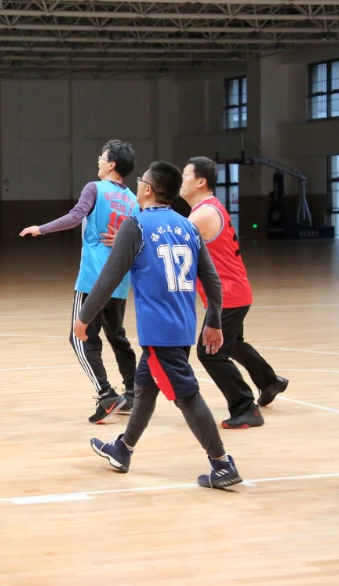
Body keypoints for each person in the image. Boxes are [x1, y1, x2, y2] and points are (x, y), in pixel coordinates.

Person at [76, 161, 243, 489]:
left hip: (159, 331)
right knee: (145, 387)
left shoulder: (135, 225)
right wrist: (213, 320)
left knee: (187, 396)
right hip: (182, 326)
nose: (138, 184)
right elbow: (211, 278)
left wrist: (84, 317)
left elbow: (109, 278)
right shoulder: (188, 226)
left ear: (148, 189)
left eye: (141, 181)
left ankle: (222, 464)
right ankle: (123, 449)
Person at [20, 140, 139, 423]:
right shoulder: (134, 200)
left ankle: (106, 394)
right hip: (119, 280)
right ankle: (133, 393)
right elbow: (138, 236)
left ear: (111, 164)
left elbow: (75, 218)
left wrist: (41, 228)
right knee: (117, 336)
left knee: (80, 336)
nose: (98, 160)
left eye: (102, 157)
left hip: (93, 280)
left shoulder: (94, 188)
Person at [181, 156, 288, 428]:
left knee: (211, 353)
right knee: (232, 344)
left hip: (227, 295)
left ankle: (246, 407)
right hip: (235, 292)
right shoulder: (211, 208)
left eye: (185, 175)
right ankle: (269, 381)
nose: (181, 181)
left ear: (201, 181)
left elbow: (172, 245)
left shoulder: (202, 215)